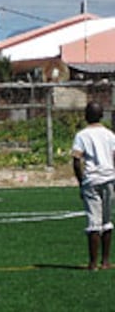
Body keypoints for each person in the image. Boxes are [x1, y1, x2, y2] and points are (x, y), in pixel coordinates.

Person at [72, 101, 115, 270]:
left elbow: (76, 161)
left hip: (91, 180)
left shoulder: (82, 135)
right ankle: (105, 261)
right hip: (109, 178)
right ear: (102, 115)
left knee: (93, 222)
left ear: (85, 116)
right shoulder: (110, 135)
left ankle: (93, 263)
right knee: (107, 220)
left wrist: (81, 182)